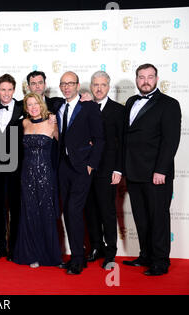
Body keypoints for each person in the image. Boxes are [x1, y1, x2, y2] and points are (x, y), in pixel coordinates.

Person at [122, 64, 181, 276]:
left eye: (150, 77)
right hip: (134, 171)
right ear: (136, 79)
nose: (145, 81)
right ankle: (146, 255)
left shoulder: (169, 104)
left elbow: (170, 141)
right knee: (141, 216)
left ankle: (160, 262)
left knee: (158, 218)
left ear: (156, 79)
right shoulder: (130, 102)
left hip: (156, 173)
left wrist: (161, 170)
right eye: (141, 77)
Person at [57, 71, 104, 275]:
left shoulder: (89, 106)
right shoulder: (58, 106)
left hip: (81, 167)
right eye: (63, 84)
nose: (67, 87)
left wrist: (91, 164)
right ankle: (78, 255)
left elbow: (100, 139)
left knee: (74, 210)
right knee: (68, 211)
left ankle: (77, 258)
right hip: (63, 167)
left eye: (70, 83)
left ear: (78, 86)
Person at [13, 93, 62, 268]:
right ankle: (31, 254)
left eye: (36, 103)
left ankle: (49, 254)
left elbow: (64, 145)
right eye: (29, 104)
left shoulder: (52, 123)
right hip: (26, 175)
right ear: (26, 107)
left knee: (46, 214)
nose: (33, 107)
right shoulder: (24, 123)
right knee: (29, 213)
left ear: (41, 104)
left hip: (46, 175)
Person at [85, 71, 125, 269]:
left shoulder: (118, 110)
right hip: (87, 169)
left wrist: (118, 169)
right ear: (91, 87)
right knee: (90, 210)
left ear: (108, 87)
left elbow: (122, 143)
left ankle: (110, 253)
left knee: (107, 212)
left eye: (102, 85)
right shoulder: (85, 108)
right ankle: (95, 247)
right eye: (95, 84)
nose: (98, 88)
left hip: (108, 169)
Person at [0, 74, 23, 261]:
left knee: (15, 207)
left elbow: (49, 102)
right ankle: (0, 247)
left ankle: (15, 247)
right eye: (3, 89)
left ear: (14, 91)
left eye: (9, 89)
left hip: (17, 165)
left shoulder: (23, 107)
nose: (6, 93)